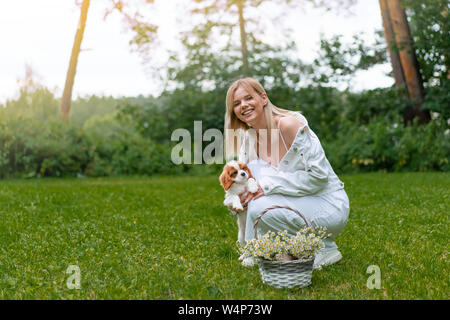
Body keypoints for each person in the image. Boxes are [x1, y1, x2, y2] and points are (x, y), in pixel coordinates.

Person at [224, 77, 350, 269]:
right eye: (237, 103)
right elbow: (247, 187)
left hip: (326, 203)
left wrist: (265, 188)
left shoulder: (289, 125)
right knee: (252, 185)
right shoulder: (248, 139)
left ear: (264, 98)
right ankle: (275, 249)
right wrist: (239, 202)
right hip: (293, 203)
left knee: (260, 207)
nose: (244, 105)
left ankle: (325, 248)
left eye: (249, 98)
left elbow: (319, 177)